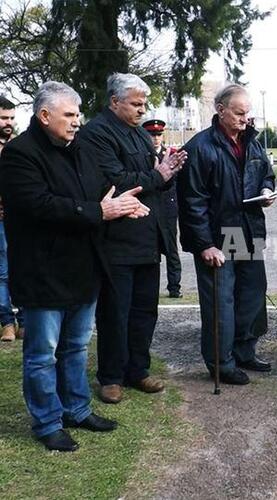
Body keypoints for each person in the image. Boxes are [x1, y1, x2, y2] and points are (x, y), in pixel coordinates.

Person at [0, 81, 149, 451]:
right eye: (69, 115)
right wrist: (101, 210)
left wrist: (122, 206)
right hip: (43, 271)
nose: (76, 122)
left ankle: (77, 410)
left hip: (84, 266)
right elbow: (40, 205)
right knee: (42, 354)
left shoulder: (80, 149)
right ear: (44, 115)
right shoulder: (19, 154)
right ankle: (48, 421)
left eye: (78, 115)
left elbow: (101, 191)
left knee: (76, 347)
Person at [78, 73, 187, 404]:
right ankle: (110, 377)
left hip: (147, 237)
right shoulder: (96, 134)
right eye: (136, 103)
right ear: (115, 101)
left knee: (144, 310)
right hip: (116, 238)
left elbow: (154, 177)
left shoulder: (140, 134)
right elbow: (117, 180)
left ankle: (137, 370)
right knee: (115, 311)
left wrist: (167, 172)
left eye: (144, 104)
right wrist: (158, 174)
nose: (142, 110)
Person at [178, 84, 275, 385]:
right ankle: (221, 363)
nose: (245, 119)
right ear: (220, 110)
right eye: (239, 112)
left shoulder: (253, 143)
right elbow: (192, 201)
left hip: (248, 230)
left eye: (248, 113)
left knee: (252, 295)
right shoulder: (199, 147)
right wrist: (204, 244)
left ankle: (245, 350)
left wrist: (267, 190)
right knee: (221, 302)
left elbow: (266, 174)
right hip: (217, 237)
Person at [143, 119, 183, 299]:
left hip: (167, 207)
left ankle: (174, 287)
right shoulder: (142, 156)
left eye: (159, 134)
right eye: (152, 135)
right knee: (150, 248)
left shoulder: (172, 154)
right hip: (148, 207)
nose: (156, 138)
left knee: (171, 248)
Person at [0, 96, 24, 342]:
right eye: (4, 118)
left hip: (21, 218)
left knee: (23, 268)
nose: (8, 123)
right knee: (3, 273)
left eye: (11, 118)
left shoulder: (18, 145)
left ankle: (25, 322)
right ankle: (7, 322)